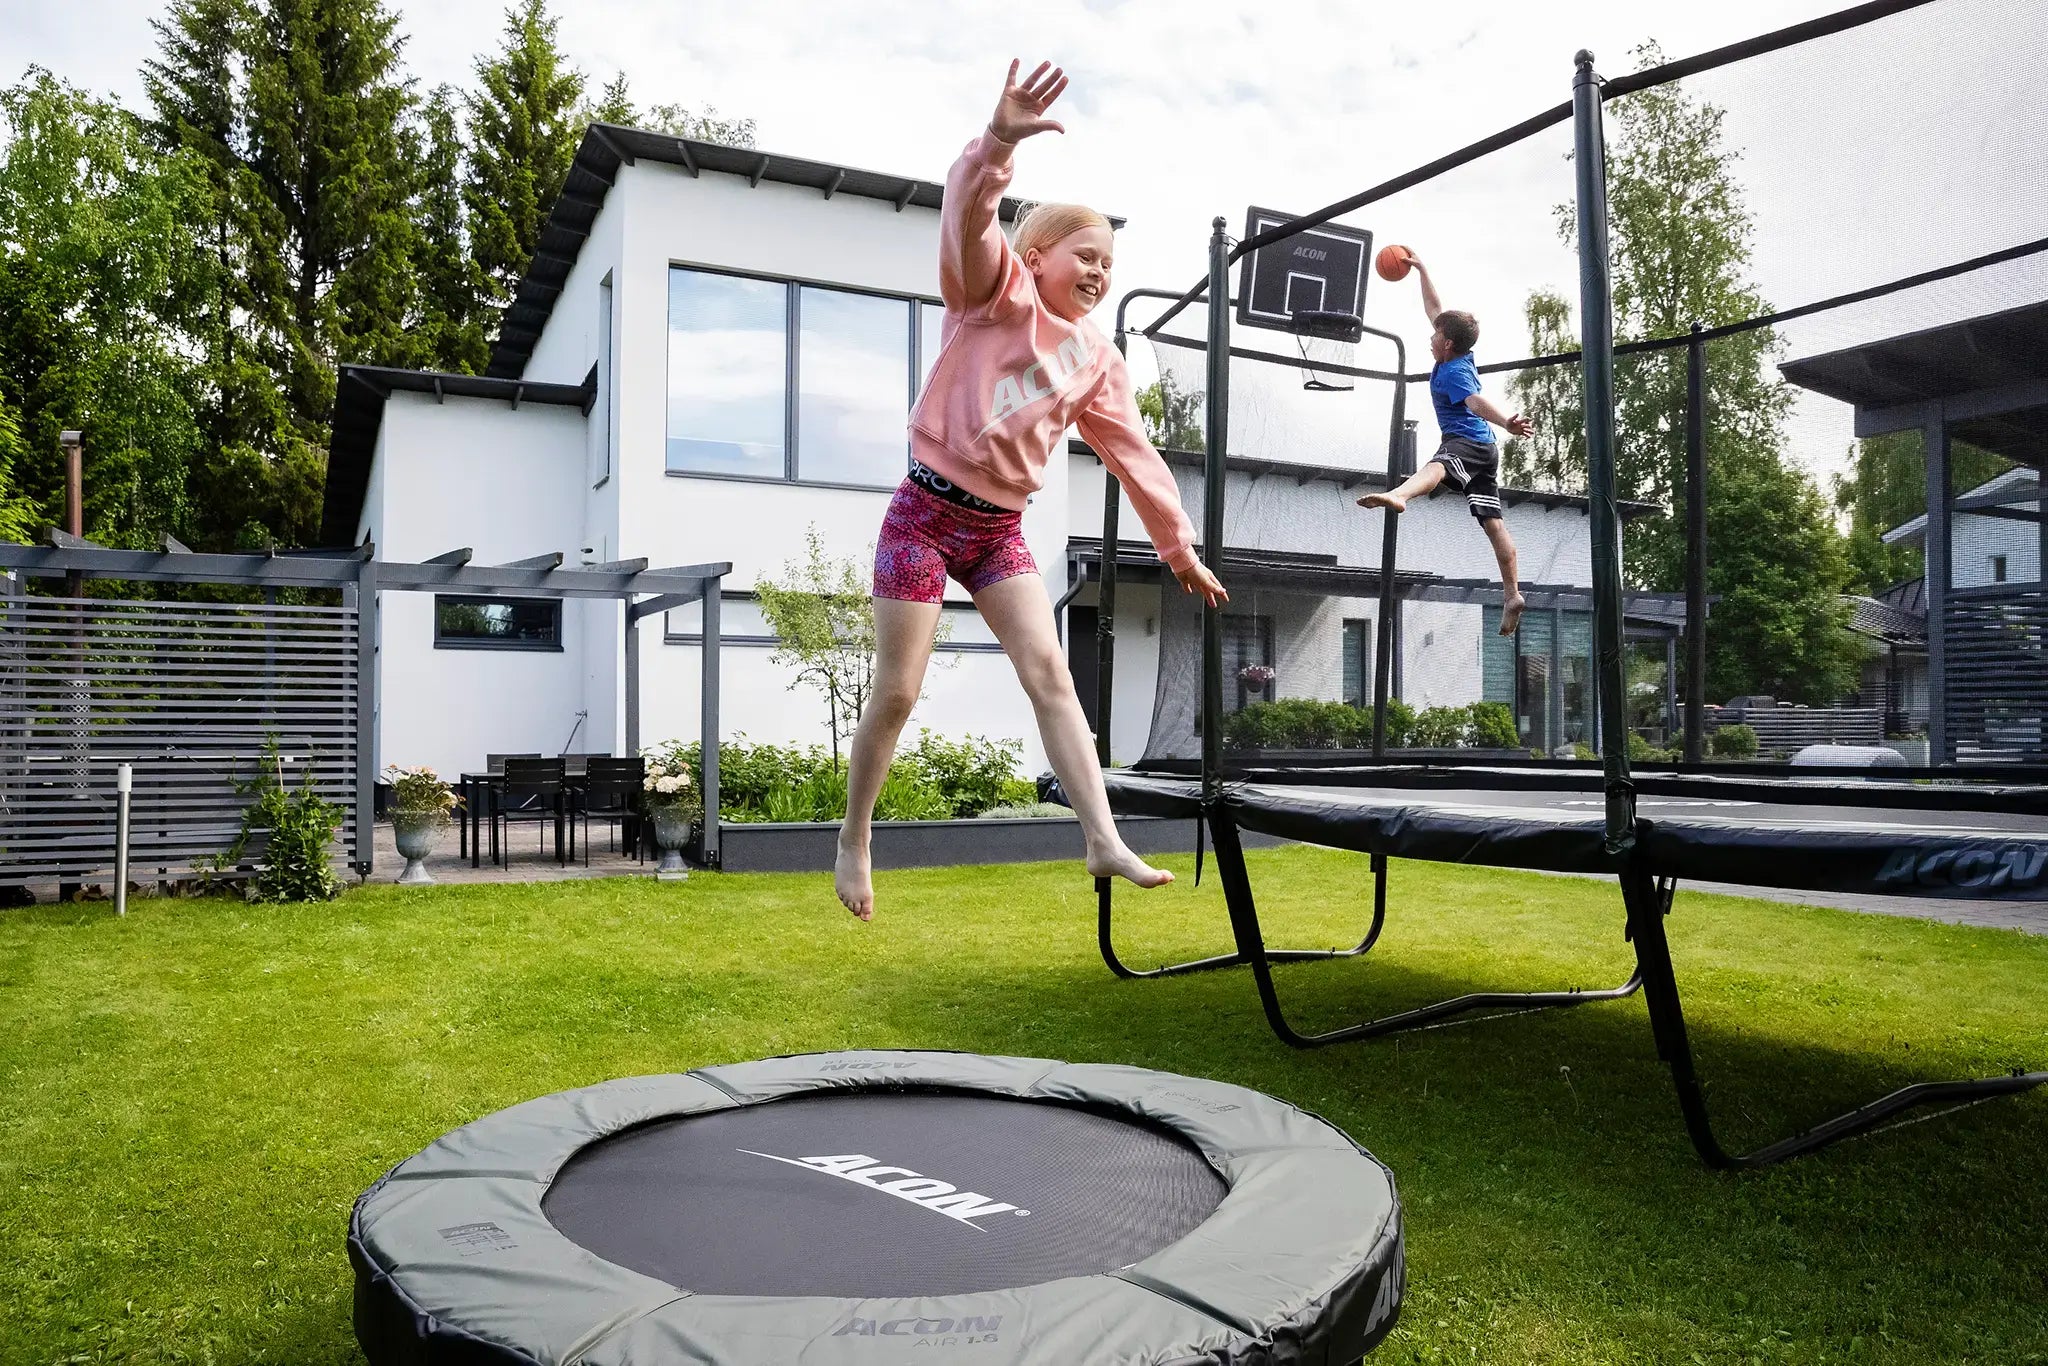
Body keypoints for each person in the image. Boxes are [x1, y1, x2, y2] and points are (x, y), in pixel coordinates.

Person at [834, 60, 1229, 921]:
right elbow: (968, 214)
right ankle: (855, 835)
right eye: (1086, 257)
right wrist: (1001, 139)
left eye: (1109, 264)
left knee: (1051, 673)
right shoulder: (990, 294)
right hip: (925, 514)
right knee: (898, 690)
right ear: (1038, 256)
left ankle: (1101, 836)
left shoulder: (1099, 361)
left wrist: (1178, 547)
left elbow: (1135, 457)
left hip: (998, 531)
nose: (1099, 272)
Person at [1357, 253, 1532, 635]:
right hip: (1485, 451)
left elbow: (1474, 402)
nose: (1430, 336)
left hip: (1467, 441)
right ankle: (1512, 594)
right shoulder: (1462, 354)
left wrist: (1505, 421)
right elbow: (1435, 308)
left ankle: (1401, 494)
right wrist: (1421, 270)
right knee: (1494, 523)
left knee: (1437, 466)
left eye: (1436, 335)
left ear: (1447, 343)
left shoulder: (1454, 372)